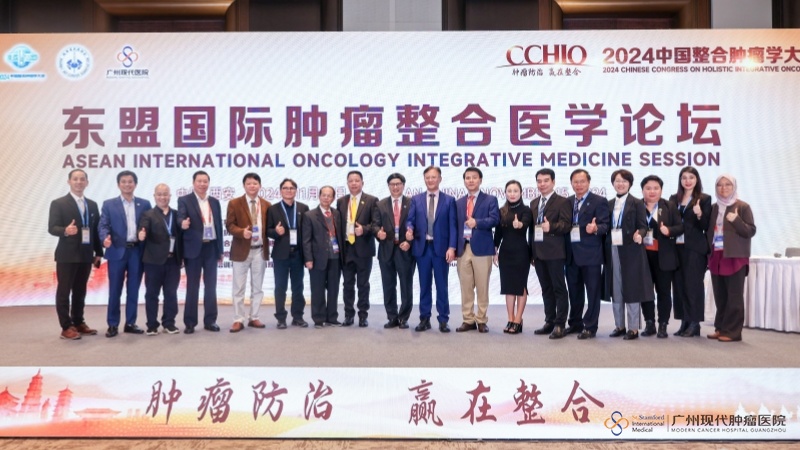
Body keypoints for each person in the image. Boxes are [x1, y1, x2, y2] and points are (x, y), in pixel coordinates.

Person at [48, 169, 103, 340]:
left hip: (86, 255)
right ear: (69, 182)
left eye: (82, 179)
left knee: (80, 291)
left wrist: (99, 252)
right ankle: (66, 326)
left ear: (87, 182)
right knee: (64, 292)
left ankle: (78, 322)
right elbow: (52, 228)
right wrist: (65, 230)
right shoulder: (58, 203)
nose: (79, 182)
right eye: (75, 179)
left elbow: (96, 231)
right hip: (67, 255)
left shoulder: (92, 205)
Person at [98, 170, 151, 338]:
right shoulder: (109, 204)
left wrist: (145, 232)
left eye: (130, 181)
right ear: (118, 184)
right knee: (115, 290)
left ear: (135, 184)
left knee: (133, 289)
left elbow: (149, 224)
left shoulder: (144, 204)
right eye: (124, 182)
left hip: (136, 251)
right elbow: (103, 225)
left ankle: (130, 323)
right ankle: (113, 324)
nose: (127, 184)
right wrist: (104, 238)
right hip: (116, 251)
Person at [603, 170, 653, 340]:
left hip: (632, 250)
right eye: (617, 181)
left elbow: (643, 225)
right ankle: (619, 325)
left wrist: (640, 234)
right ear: (613, 183)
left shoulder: (637, 203)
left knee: (632, 288)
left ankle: (633, 328)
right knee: (616, 288)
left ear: (630, 184)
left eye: (624, 181)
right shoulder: (608, 203)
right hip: (613, 249)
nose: (621, 184)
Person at [406, 166, 457, 333]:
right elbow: (410, 220)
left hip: (441, 248)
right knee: (424, 285)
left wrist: (452, 247)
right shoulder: (416, 199)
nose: (430, 180)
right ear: (424, 179)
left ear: (440, 179)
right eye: (427, 177)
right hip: (422, 248)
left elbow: (453, 226)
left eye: (433, 177)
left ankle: (443, 319)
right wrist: (409, 229)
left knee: (442, 285)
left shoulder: (449, 200)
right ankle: (424, 318)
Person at [706, 174, 756, 342]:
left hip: (735, 256)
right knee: (720, 296)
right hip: (717, 255)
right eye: (720, 185)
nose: (724, 188)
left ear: (733, 187)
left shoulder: (742, 207)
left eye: (727, 184)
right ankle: (721, 328)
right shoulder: (714, 207)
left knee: (734, 296)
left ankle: (733, 332)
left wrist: (736, 221)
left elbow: (750, 231)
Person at [564, 169, 609, 340]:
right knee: (574, 292)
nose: (579, 185)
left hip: (591, 255)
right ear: (571, 183)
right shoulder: (568, 202)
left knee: (592, 293)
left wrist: (596, 228)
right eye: (575, 182)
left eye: (582, 181)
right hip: (571, 254)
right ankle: (575, 323)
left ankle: (590, 326)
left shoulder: (599, 201)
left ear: (589, 182)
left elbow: (605, 225)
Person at [178, 170, 224, 334]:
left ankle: (210, 321)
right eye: (199, 181)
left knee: (211, 286)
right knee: (192, 286)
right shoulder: (185, 200)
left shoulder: (214, 202)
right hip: (193, 249)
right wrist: (182, 223)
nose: (202, 184)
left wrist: (220, 249)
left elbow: (218, 225)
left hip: (211, 247)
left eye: (205, 181)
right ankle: (190, 322)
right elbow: (180, 217)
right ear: (193, 183)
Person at [529, 169, 573, 339]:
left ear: (553, 182)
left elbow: (566, 225)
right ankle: (550, 321)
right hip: (538, 253)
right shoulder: (534, 203)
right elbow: (532, 231)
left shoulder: (562, 202)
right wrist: (531, 252)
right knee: (546, 289)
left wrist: (551, 227)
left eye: (546, 180)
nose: (542, 184)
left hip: (555, 253)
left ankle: (560, 324)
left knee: (558, 288)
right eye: (539, 181)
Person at [455, 167, 499, 334]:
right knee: (466, 287)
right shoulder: (459, 202)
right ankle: (468, 319)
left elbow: (495, 220)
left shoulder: (490, 199)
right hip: (463, 248)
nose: (471, 180)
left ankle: (481, 320)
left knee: (482, 286)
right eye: (468, 178)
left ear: (480, 180)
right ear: (464, 181)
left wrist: (477, 223)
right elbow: (454, 226)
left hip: (482, 249)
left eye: (474, 177)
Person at [226, 173, 271, 332]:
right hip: (241, 250)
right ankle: (238, 319)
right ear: (244, 185)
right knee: (238, 288)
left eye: (255, 183)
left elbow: (269, 227)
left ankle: (254, 317)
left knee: (257, 287)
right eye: (249, 183)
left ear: (260, 186)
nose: (252, 186)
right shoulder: (234, 203)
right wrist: (241, 232)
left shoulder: (266, 204)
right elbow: (229, 225)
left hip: (260, 250)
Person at [669, 166, 711, 337]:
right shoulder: (674, 198)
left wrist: (700, 214)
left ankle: (695, 323)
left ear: (696, 180)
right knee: (679, 286)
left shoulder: (704, 199)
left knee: (693, 286)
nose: (687, 181)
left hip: (694, 249)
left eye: (691, 177)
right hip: (676, 248)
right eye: (684, 177)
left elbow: (706, 226)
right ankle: (684, 322)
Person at [640, 175, 683, 338]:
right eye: (648, 188)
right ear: (642, 190)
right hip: (643, 257)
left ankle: (663, 324)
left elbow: (680, 227)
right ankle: (649, 323)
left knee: (664, 291)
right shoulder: (637, 206)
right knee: (646, 291)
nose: (652, 191)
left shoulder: (669, 206)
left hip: (664, 256)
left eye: (656, 188)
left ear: (661, 190)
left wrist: (669, 231)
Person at [337, 170, 380, 327]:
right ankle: (348, 315)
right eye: (351, 181)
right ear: (347, 183)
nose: (354, 183)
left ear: (362, 182)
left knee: (363, 284)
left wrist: (364, 229)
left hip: (364, 249)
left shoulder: (372, 200)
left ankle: (363, 315)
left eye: (357, 180)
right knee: (347, 284)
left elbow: (376, 224)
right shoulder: (341, 201)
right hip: (346, 249)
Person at [138, 183, 182, 335]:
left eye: (165, 194)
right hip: (153, 262)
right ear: (154, 196)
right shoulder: (148, 214)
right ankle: (152, 324)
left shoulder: (176, 214)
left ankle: (169, 323)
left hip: (173, 261)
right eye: (159, 194)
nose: (162, 197)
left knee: (171, 293)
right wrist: (141, 234)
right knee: (152, 294)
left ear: (170, 196)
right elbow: (143, 228)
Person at [267, 178, 310, 328]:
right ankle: (281, 318)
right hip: (281, 255)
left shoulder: (303, 208)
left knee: (298, 287)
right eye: (285, 188)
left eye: (291, 188)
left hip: (298, 254)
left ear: (296, 191)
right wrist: (275, 232)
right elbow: (267, 231)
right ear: (280, 191)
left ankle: (298, 316)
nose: (288, 190)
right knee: (280, 287)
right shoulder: (273, 209)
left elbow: (307, 232)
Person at [375, 173, 415, 329]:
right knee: (388, 285)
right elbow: (375, 224)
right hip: (386, 250)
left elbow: (418, 224)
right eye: (392, 184)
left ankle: (404, 317)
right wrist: (378, 233)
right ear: (388, 186)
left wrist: (410, 242)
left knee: (406, 285)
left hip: (405, 250)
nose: (395, 187)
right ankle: (392, 317)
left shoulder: (412, 203)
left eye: (398, 184)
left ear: (403, 185)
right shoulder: (381, 204)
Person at [493, 180, 532, 334]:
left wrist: (519, 225)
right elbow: (498, 233)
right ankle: (510, 318)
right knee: (508, 287)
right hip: (505, 253)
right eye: (509, 191)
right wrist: (495, 250)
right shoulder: (501, 211)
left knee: (520, 286)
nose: (512, 194)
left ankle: (518, 319)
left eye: (515, 191)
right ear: (505, 193)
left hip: (521, 252)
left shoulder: (526, 210)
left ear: (521, 193)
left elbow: (526, 223)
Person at [302, 186, 344, 328]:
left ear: (333, 198)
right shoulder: (310, 215)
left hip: (335, 257)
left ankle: (332, 317)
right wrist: (308, 259)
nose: (326, 198)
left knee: (333, 289)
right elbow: (306, 240)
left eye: (329, 195)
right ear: (319, 196)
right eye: (324, 195)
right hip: (317, 258)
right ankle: (318, 318)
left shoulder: (337, 214)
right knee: (318, 289)